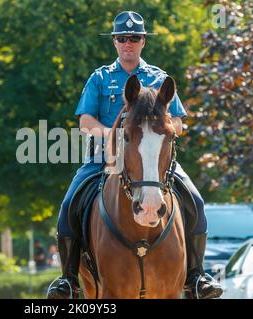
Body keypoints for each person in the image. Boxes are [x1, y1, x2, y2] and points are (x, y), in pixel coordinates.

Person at [46, 11, 223, 299]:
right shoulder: (100, 78)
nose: (128, 43)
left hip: (156, 161)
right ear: (115, 42)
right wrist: (114, 136)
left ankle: (196, 274)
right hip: (104, 161)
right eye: (122, 38)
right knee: (69, 206)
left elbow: (177, 122)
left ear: (143, 42)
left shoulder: (159, 78)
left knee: (196, 202)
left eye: (135, 38)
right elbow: (85, 122)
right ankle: (68, 279)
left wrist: (163, 128)